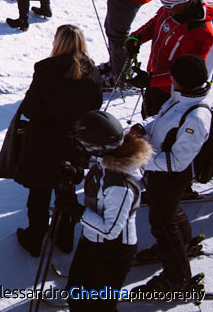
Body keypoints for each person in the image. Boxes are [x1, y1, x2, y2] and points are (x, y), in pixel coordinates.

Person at [13, 24, 103, 257]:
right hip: (73, 140)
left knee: (39, 191)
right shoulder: (92, 72)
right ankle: (64, 237)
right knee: (67, 190)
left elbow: (31, 108)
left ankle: (35, 237)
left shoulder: (46, 70)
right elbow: (95, 107)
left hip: (43, 139)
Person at [129, 55, 212, 294]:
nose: (170, 76)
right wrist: (144, 127)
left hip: (170, 176)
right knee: (169, 212)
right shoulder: (182, 98)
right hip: (159, 173)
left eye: (173, 73)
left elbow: (177, 161)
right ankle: (183, 244)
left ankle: (177, 278)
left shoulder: (196, 117)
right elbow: (163, 118)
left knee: (163, 224)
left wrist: (141, 157)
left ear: (182, 80)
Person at [62, 111, 152, 312]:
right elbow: (100, 177)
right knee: (76, 295)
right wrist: (78, 172)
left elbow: (111, 230)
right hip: (92, 240)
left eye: (86, 144)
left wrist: (77, 212)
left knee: (99, 305)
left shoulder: (120, 186)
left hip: (113, 251)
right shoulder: (109, 158)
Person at [124, 0, 213, 118]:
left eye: (168, 6)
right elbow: (156, 22)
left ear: (184, 2)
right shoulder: (172, 9)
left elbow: (186, 74)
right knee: (146, 116)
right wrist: (137, 37)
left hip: (172, 92)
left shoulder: (200, 32)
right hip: (154, 78)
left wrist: (151, 80)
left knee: (157, 128)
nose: (165, 9)